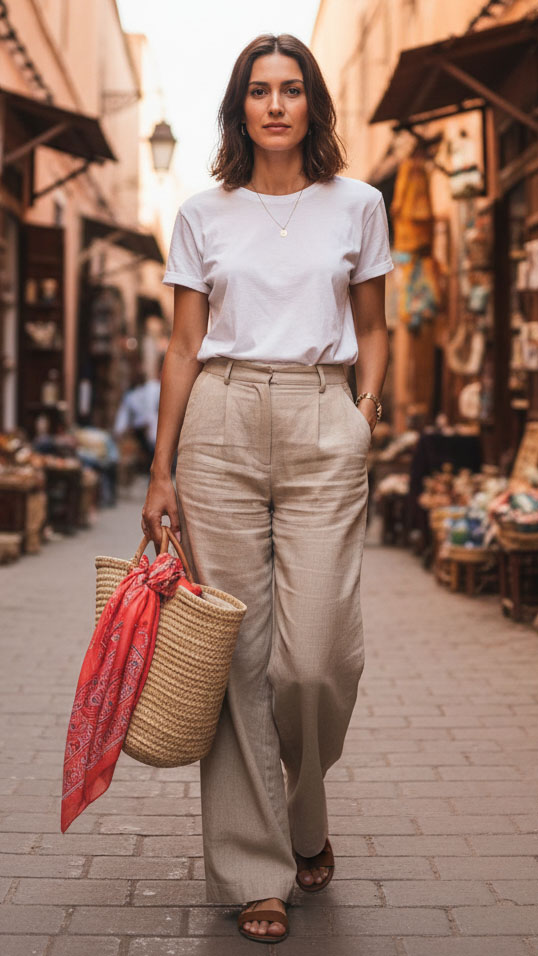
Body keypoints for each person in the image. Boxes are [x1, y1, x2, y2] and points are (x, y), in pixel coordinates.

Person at [142, 32, 393, 944]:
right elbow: (179, 347)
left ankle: (308, 811)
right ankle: (258, 871)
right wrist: (162, 469)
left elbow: (374, 324)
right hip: (221, 421)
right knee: (240, 655)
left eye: (292, 89)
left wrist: (363, 408)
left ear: (312, 104)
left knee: (315, 660)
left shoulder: (358, 203)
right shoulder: (202, 214)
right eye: (260, 90)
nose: (276, 104)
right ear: (239, 107)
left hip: (327, 419)